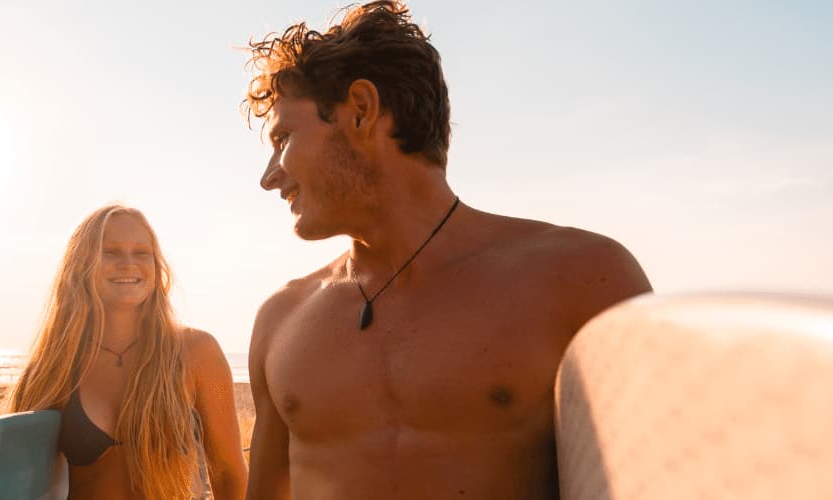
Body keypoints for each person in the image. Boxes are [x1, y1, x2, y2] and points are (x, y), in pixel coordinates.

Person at [240, 2, 653, 499]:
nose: (268, 178)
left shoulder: (582, 279)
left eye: (283, 137)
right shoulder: (280, 320)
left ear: (362, 110)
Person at [6, 205, 247, 499]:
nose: (128, 263)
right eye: (111, 252)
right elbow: (15, 482)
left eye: (142, 253)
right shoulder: (54, 369)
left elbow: (229, 473)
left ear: (157, 268)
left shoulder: (196, 353)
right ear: (80, 266)